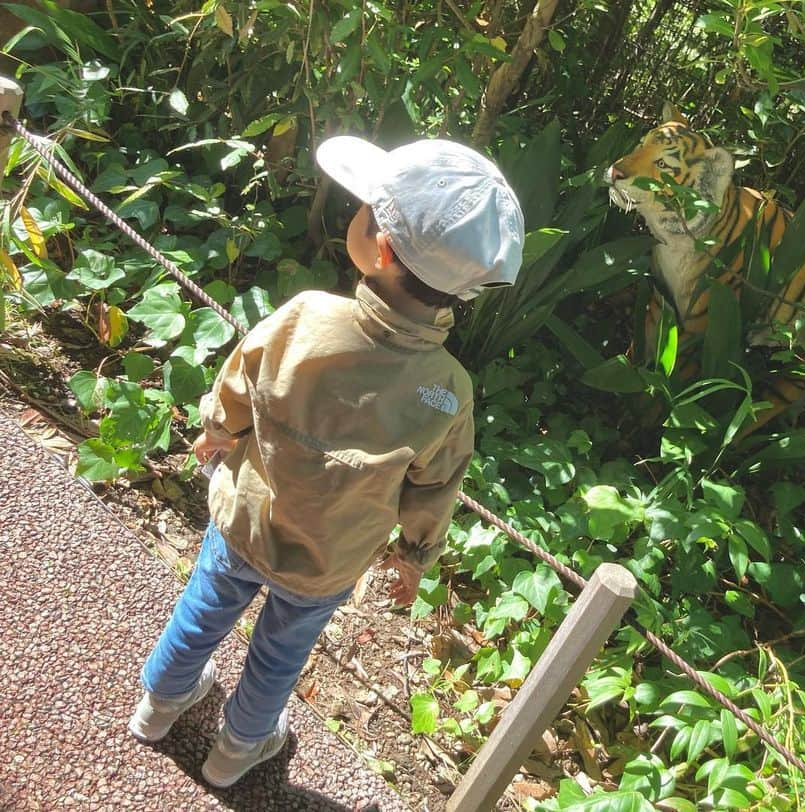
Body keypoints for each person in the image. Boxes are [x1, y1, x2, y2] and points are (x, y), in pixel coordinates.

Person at [127, 135, 524, 789]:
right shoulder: (449, 390)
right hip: (327, 559)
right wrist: (413, 557)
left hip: (246, 521)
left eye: (366, 210)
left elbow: (241, 378)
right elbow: (436, 486)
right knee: (280, 653)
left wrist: (218, 430)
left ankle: (158, 706)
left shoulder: (306, 316)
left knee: (202, 610)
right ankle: (237, 749)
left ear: (381, 247)